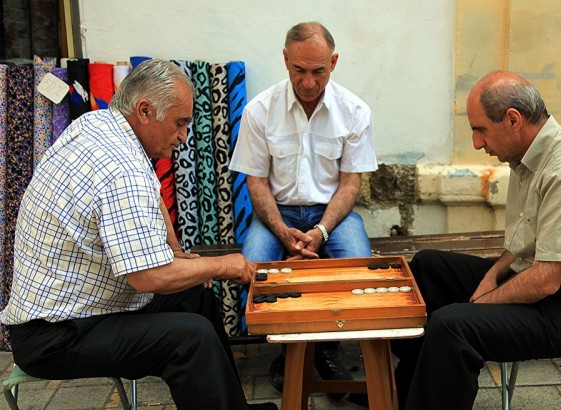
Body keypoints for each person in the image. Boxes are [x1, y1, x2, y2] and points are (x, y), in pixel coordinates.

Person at [0, 59, 276, 410]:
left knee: (196, 295)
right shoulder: (121, 169)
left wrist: (175, 249)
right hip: (55, 336)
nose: (183, 136)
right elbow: (149, 277)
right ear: (145, 111)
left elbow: (151, 192)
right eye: (179, 123)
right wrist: (223, 265)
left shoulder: (100, 124)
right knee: (192, 338)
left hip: (78, 310)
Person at [394, 70, 561, 409]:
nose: (477, 143)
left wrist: (479, 305)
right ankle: (403, 393)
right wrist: (492, 274)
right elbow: (525, 243)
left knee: (453, 325)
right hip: (551, 289)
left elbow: (546, 280)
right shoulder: (528, 158)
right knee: (428, 267)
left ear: (512, 120)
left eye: (480, 129)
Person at [229, 21, 378, 397]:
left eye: (318, 71)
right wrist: (283, 232)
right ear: (285, 59)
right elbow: (256, 184)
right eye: (299, 70)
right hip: (277, 213)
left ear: (334, 62)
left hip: (332, 214)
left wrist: (321, 231)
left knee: (357, 269)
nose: (308, 82)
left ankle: (327, 350)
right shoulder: (260, 110)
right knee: (254, 271)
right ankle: (288, 350)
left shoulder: (354, 111)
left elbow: (350, 184)